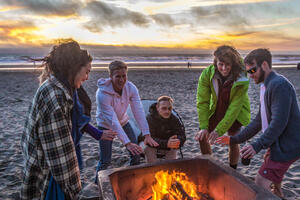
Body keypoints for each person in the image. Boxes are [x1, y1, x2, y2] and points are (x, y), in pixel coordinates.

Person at [21, 40, 116, 200]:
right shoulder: (56, 96)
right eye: (86, 72)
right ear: (74, 68)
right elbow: (60, 154)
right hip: (46, 176)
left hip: (45, 169)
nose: (87, 77)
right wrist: (74, 189)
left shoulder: (56, 86)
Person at [216, 48, 300, 198]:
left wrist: (257, 145)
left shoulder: (279, 85)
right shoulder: (265, 86)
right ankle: (278, 193)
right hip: (278, 142)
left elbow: (278, 123)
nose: (250, 75)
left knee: (260, 182)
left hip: (289, 144)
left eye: (253, 70)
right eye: (248, 71)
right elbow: (259, 121)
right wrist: (235, 139)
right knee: (267, 161)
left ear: (265, 65)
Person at [95, 60, 158, 172]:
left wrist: (147, 134)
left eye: (124, 76)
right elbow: (113, 121)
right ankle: (98, 184)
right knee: (105, 160)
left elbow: (138, 111)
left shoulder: (131, 88)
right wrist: (127, 143)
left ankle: (133, 175)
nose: (121, 80)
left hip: (123, 121)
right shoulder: (102, 93)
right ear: (110, 76)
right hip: (105, 125)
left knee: (136, 154)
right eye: (117, 76)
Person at [194, 45, 251, 169]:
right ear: (215, 62)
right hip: (216, 107)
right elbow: (202, 102)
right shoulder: (206, 74)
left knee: (232, 140)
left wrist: (219, 130)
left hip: (236, 111)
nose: (224, 68)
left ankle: (232, 169)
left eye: (228, 65)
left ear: (233, 64)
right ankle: (211, 165)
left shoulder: (242, 77)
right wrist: (204, 127)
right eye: (221, 64)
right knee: (202, 136)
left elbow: (234, 107)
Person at [142, 96, 186, 163]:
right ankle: (152, 169)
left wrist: (178, 141)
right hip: (150, 144)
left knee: (173, 148)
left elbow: (182, 135)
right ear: (157, 107)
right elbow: (150, 139)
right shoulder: (149, 118)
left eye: (169, 108)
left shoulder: (174, 119)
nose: (167, 111)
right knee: (148, 148)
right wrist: (166, 143)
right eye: (164, 108)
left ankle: (170, 168)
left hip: (167, 145)